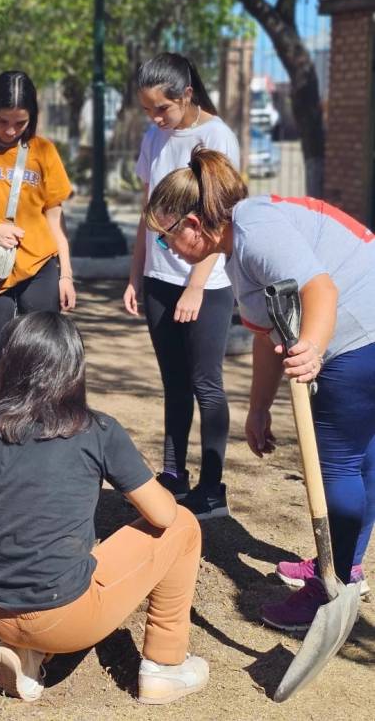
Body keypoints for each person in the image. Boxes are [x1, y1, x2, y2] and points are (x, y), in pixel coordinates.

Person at [0, 312, 207, 705]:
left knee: (71, 569)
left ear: (10, 363)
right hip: (66, 617)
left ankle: (24, 653)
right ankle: (166, 667)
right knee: (186, 527)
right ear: (74, 368)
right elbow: (164, 516)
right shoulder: (99, 431)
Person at [144, 146, 375, 631]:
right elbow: (269, 337)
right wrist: (258, 410)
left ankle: (330, 587)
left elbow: (320, 290)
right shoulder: (239, 251)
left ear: (191, 223)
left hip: (360, 335)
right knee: (365, 458)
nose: (169, 252)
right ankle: (345, 568)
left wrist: (312, 346)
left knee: (338, 464)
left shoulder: (254, 230)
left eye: (166, 241)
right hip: (357, 333)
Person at [123, 53, 240, 520]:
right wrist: (136, 273)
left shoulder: (216, 137)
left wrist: (196, 285)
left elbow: (221, 220)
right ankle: (174, 474)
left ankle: (213, 488)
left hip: (205, 285)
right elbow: (147, 210)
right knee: (173, 383)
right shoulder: (155, 137)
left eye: (162, 109)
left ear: (186, 95)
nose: (155, 119)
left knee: (206, 384)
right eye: (148, 110)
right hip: (158, 279)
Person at [0, 71, 76, 406]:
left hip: (41, 263)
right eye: (3, 121)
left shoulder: (43, 151)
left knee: (44, 357)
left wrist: (66, 275)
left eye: (20, 122)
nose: (11, 131)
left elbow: (55, 221)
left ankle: (39, 436)